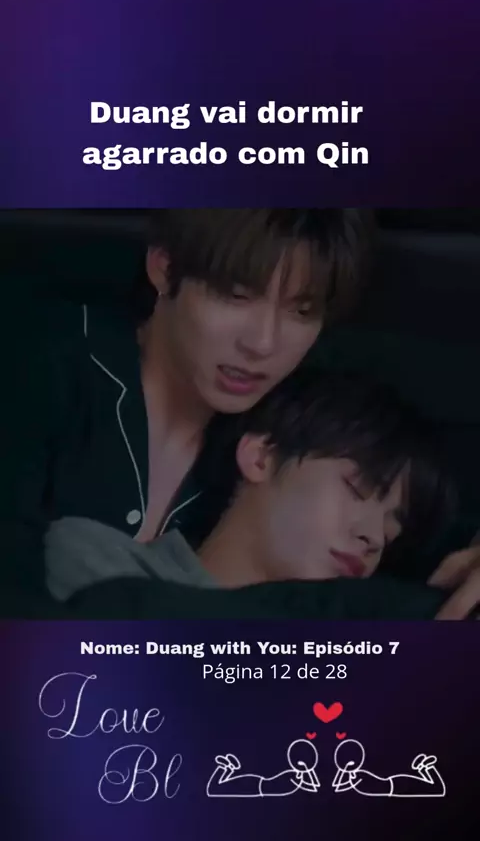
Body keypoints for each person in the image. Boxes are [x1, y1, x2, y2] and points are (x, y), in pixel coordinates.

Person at [0, 209, 372, 596]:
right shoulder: (44, 364)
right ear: (164, 268)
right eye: (236, 296)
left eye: (301, 312)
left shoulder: (268, 448)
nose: (262, 344)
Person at [44, 369, 452, 601]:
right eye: (357, 488)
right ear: (260, 458)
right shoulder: (102, 560)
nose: (374, 538)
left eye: (391, 530)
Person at [332, 739, 446, 797]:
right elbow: (337, 786)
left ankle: (426, 767)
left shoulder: (359, 777)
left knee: (436, 789)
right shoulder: (358, 777)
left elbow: (338, 786)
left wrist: (343, 768)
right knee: (434, 788)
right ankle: (424, 767)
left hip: (396, 786)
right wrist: (343, 768)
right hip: (395, 785)